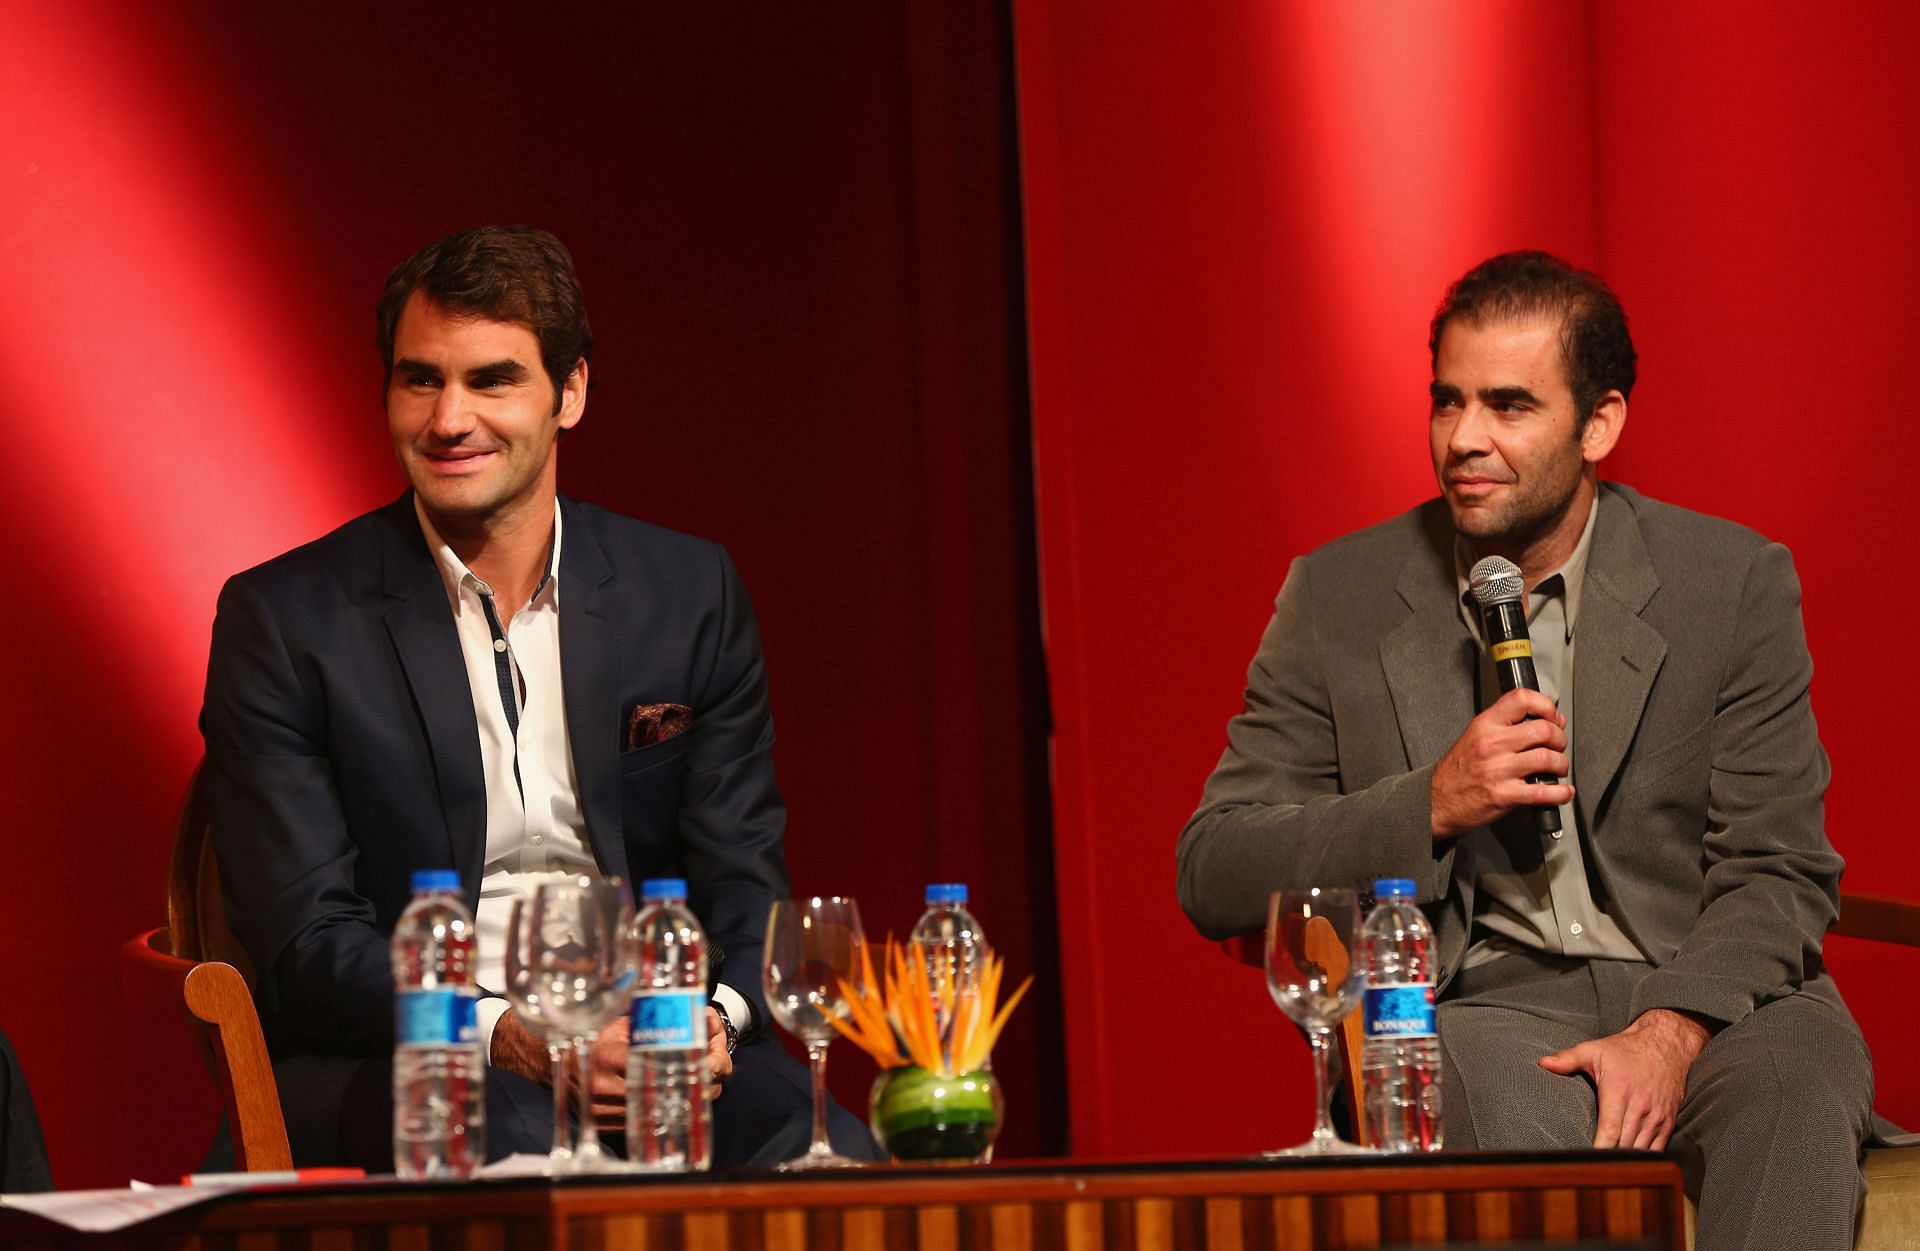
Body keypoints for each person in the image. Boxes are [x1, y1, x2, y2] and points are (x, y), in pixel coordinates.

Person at [1177, 252, 1870, 1250]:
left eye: (1509, 407)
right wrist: (1431, 803)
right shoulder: (1339, 597)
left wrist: (1670, 1031)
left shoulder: (1731, 581)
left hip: (1718, 996)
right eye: (1446, 403)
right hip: (1489, 1005)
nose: (1464, 440)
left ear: (1601, 425)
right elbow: (1215, 865)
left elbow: (1781, 866)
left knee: (1797, 1091)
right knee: (1521, 1130)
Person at [200, 224, 873, 1169]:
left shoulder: (687, 593)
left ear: (571, 393)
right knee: (528, 1161)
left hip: (654, 1043)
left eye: (492, 380)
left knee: (840, 1161)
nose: (448, 420)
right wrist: (516, 1036)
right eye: (420, 379)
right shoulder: (286, 619)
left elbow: (743, 881)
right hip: (426, 1058)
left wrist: (709, 1025)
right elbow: (308, 943)